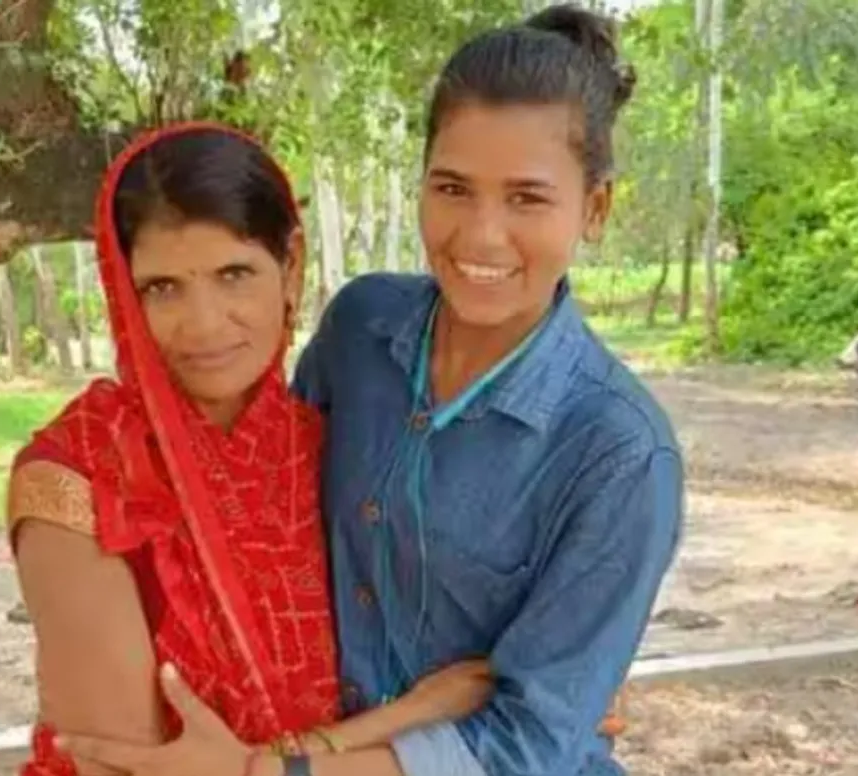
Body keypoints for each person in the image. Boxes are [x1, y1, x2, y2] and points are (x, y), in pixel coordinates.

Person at [55, 5, 683, 776]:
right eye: (452, 188)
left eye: (527, 198)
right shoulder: (361, 330)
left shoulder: (619, 454)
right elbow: (272, 513)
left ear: (595, 209)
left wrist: (272, 771)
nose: (481, 235)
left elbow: (527, 746)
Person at [6, 122, 495, 776]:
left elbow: (471, 681)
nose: (204, 324)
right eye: (163, 287)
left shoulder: (331, 449)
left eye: (234, 273)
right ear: (124, 292)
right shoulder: (77, 477)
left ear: (290, 267)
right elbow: (125, 766)